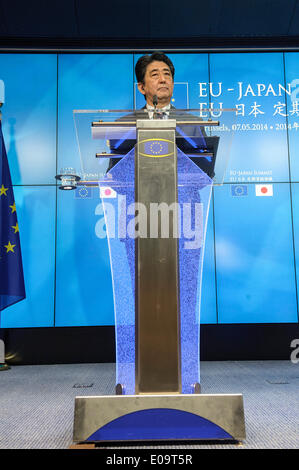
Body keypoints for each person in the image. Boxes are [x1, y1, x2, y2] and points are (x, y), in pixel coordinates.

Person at [107, 52, 213, 176]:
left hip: (183, 194)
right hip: (140, 194)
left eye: (167, 74)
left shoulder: (193, 123)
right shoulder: (124, 125)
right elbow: (115, 175)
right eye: (155, 75)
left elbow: (206, 172)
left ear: (172, 84)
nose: (163, 80)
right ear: (141, 87)